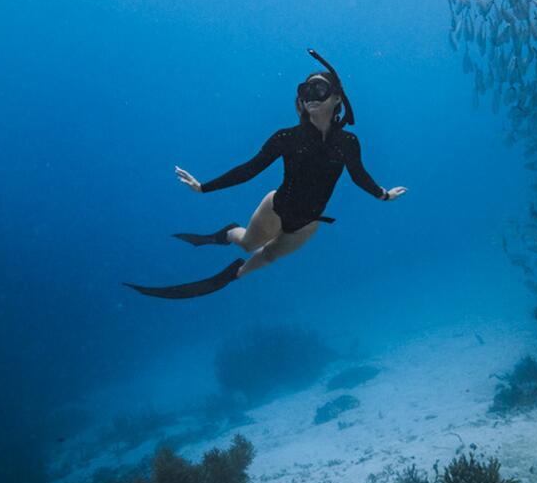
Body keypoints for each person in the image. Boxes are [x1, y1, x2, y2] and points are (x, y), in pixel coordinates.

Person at [125, 50, 406, 298]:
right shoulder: (286, 138)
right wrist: (203, 188)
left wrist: (384, 195)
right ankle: (228, 233)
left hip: (308, 223)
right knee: (248, 244)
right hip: (276, 207)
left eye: (318, 90)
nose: (310, 98)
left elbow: (358, 175)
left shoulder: (348, 143)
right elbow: (249, 169)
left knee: (269, 255)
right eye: (305, 91)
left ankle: (231, 276)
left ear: (336, 98)